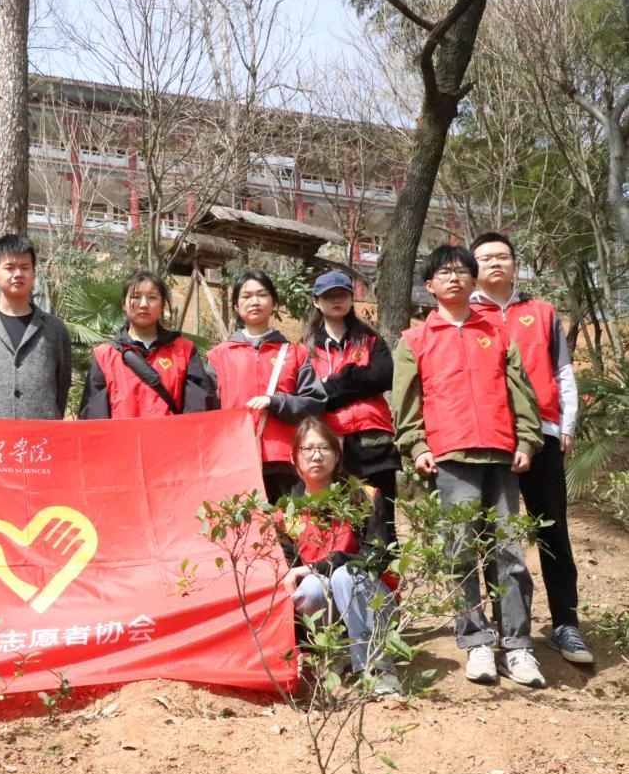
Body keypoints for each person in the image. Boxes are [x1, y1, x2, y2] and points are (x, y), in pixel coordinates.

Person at [392, 244, 545, 688]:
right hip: (450, 457)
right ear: (430, 285)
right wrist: (416, 445)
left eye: (462, 271)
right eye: (444, 272)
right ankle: (476, 641)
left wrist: (527, 440)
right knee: (459, 552)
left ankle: (517, 646)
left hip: (500, 453)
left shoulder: (496, 332)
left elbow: (521, 392)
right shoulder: (415, 339)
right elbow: (405, 402)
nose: (454, 278)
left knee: (509, 552)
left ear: (473, 280)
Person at [470, 232, 591, 664]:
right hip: (489, 437)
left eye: (502, 256)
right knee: (493, 535)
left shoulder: (541, 312)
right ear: (473, 268)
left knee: (552, 529)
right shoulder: (466, 316)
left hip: (542, 433)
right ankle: (505, 627)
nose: (494, 263)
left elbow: (563, 372)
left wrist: (565, 425)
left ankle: (565, 624)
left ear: (515, 264)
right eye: (485, 257)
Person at [280, 418, 401, 696]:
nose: (316, 456)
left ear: (337, 455)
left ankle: (377, 666)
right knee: (311, 587)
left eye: (324, 448)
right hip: (323, 614)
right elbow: (287, 577)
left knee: (345, 576)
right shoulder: (286, 512)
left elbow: (376, 556)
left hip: (372, 600)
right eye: (307, 449)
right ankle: (332, 652)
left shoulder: (365, 497)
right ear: (294, 458)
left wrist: (319, 566)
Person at [204, 270, 326, 502]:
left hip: (284, 459)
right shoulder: (218, 356)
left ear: (274, 303)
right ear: (236, 305)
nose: (254, 301)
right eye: (246, 296)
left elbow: (315, 402)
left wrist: (276, 401)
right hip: (235, 460)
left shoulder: (296, 354)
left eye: (261, 295)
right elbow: (208, 411)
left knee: (287, 522)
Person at [301, 271, 401, 543]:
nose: (336, 300)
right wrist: (357, 380)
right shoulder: (306, 348)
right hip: (328, 439)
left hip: (373, 439)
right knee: (338, 517)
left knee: (381, 519)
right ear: (316, 301)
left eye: (342, 294)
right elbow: (311, 394)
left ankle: (383, 569)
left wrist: (338, 380)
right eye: (329, 296)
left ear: (351, 299)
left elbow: (384, 376)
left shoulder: (370, 339)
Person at [0, 234, 72, 419]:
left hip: (42, 432)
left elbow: (61, 388)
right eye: (9, 267)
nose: (18, 274)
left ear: (34, 274)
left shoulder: (55, 329)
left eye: (25, 267)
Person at [79, 269, 212, 419]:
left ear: (162, 305)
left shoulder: (184, 351)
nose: (143, 304)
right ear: (124, 304)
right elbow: (94, 418)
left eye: (152, 297)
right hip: (123, 435)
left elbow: (197, 415)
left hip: (170, 435)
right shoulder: (105, 356)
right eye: (135, 297)